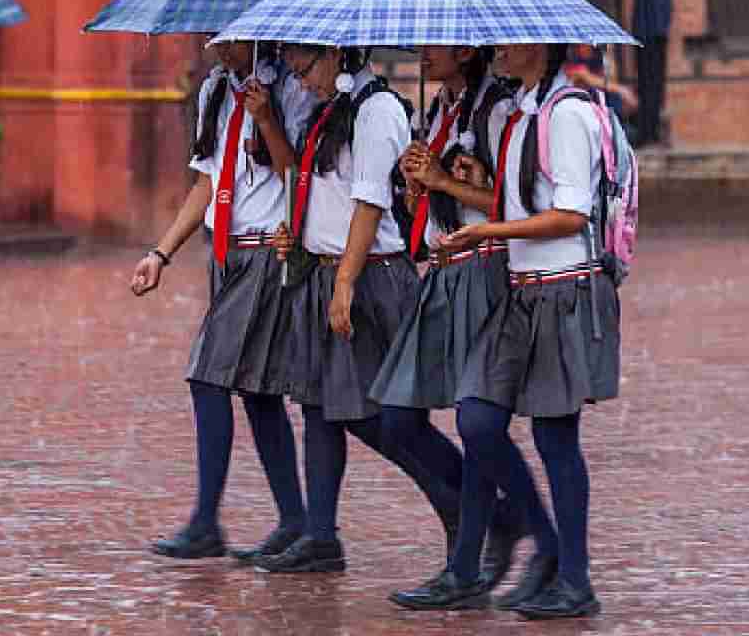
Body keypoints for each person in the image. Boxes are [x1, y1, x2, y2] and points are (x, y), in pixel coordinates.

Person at [415, 43, 621, 620]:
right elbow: (525, 195)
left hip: (563, 286)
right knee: (477, 417)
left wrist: (488, 231)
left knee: (557, 438)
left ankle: (574, 580)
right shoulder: (525, 112)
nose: (499, 50)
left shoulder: (568, 113)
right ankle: (547, 548)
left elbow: (571, 214)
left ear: (540, 47)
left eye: (510, 43)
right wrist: (471, 184)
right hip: (522, 287)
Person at [256, 45, 471, 575]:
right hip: (325, 269)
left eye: (306, 69)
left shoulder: (376, 111)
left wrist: (346, 283)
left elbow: (371, 203)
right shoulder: (327, 108)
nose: (301, 82)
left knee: (376, 417)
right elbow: (318, 187)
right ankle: (321, 535)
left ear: (336, 55)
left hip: (371, 277)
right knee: (319, 408)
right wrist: (300, 235)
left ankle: (464, 503)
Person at [130, 39, 313, 563]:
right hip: (226, 254)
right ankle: (295, 519)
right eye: (212, 34)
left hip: (264, 252)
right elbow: (208, 181)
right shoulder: (216, 89)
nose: (215, 44)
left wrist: (269, 119)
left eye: (227, 35)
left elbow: (295, 174)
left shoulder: (290, 90)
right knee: (258, 393)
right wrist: (161, 253)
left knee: (208, 377)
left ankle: (207, 522)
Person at [369, 45, 529, 608]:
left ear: (464, 50)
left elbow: (518, 205)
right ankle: (500, 520)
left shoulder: (500, 111)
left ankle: (466, 565)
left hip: (486, 272)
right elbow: (423, 213)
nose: (421, 54)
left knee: (474, 420)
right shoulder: (439, 111)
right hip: (443, 275)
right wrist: (417, 189)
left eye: (433, 46)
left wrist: (444, 181)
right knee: (396, 418)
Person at [622, 0, 691, 147]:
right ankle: (645, 134)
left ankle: (650, 132)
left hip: (654, 31)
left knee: (654, 84)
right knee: (649, 84)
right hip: (648, 32)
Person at [565, 44, 639, 141]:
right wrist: (621, 90)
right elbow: (587, 77)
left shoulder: (598, 56)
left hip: (600, 109)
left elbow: (605, 81)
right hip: (579, 112)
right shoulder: (572, 59)